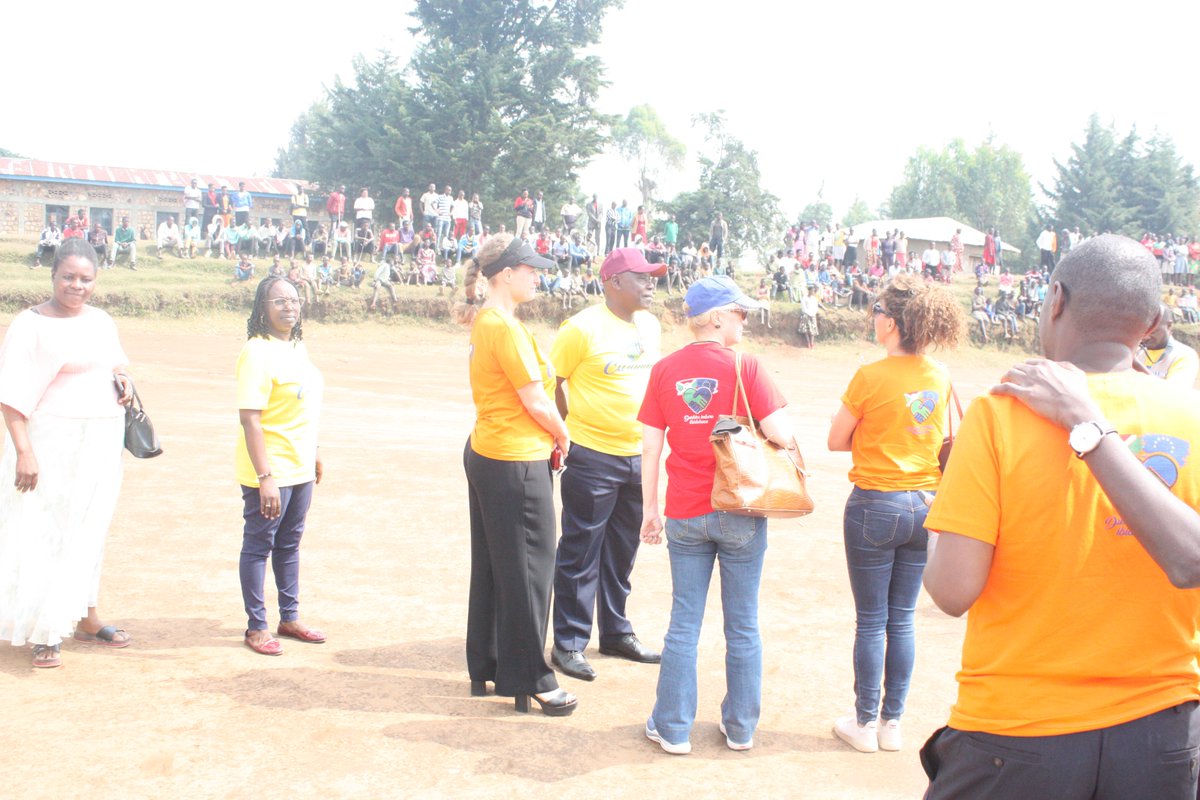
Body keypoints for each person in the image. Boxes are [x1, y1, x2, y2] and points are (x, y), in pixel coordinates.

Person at [921, 235, 1200, 798]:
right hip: (1163, 735)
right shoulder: (1191, 412)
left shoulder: (1001, 413)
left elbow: (952, 590)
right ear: (1152, 323)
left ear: (1054, 299)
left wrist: (942, 513)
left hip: (1016, 735)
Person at [638, 275, 792, 754]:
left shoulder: (664, 369)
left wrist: (649, 511)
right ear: (719, 316)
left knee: (684, 622)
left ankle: (674, 726)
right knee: (742, 623)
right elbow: (782, 436)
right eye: (740, 312)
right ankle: (741, 727)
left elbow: (649, 445)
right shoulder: (747, 366)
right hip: (740, 508)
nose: (744, 319)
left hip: (684, 510)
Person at [826, 273, 965, 753]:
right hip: (924, 503)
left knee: (871, 620)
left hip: (875, 502)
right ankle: (892, 723)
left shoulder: (870, 375)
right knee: (901, 618)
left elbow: (835, 439)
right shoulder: (939, 375)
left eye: (877, 313)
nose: (873, 319)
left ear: (892, 324)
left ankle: (864, 722)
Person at [454, 233, 578, 717]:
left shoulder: (491, 321)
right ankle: (531, 677)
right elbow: (535, 399)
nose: (537, 276)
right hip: (515, 459)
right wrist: (563, 435)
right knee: (531, 571)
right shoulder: (502, 326)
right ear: (506, 274)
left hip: (492, 451)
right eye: (531, 269)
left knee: (494, 565)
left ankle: (486, 663)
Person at [0, 238, 136, 669]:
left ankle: (86, 617)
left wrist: (124, 381)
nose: (77, 286)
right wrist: (25, 452)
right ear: (52, 274)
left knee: (89, 530)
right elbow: (11, 396)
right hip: (50, 443)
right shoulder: (31, 324)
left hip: (100, 443)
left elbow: (115, 366)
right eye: (68, 277)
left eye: (86, 279)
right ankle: (45, 630)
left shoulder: (100, 321)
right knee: (46, 534)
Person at [549, 248, 666, 683]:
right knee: (581, 551)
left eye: (653, 276)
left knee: (622, 552)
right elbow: (553, 383)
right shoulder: (580, 328)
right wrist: (569, 430)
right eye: (642, 277)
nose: (651, 283)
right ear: (614, 282)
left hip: (640, 457)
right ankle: (570, 642)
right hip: (593, 456)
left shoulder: (651, 325)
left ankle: (615, 632)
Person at [236, 276, 326, 657]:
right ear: (262, 308)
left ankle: (289, 617)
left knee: (289, 544)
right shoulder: (257, 352)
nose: (289, 306)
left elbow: (303, 407)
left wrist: (314, 451)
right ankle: (256, 626)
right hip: (270, 470)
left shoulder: (296, 347)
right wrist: (265, 477)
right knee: (260, 545)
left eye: (293, 299)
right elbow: (250, 418)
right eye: (278, 301)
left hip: (300, 466)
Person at [1138, 304, 1200, 385]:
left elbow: (1173, 393)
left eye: (1153, 331)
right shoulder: (1136, 351)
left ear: (1169, 325)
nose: (1146, 337)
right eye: (1143, 330)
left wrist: (1137, 366)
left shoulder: (1184, 355)